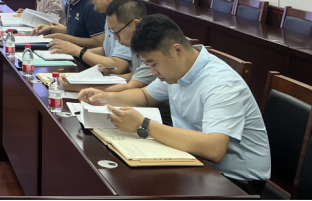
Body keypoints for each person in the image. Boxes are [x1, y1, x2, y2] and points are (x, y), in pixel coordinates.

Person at [79, 15, 270, 195]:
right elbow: (145, 96)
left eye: (154, 64)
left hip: (236, 181)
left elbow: (214, 148)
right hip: (193, 160)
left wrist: (143, 124)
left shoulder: (220, 83)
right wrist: (106, 97)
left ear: (177, 51)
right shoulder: (178, 68)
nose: (153, 72)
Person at [49, 0, 131, 73]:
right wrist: (70, 52)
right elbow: (105, 50)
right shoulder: (110, 15)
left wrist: (78, 51)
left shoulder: (125, 18)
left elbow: (119, 66)